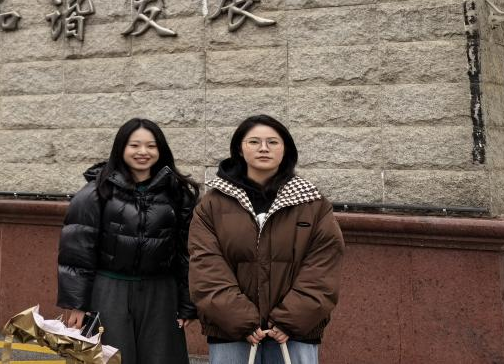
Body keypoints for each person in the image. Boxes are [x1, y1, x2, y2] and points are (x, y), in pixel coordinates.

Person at [189, 115, 344, 364]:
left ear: (286, 150)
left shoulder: (312, 204)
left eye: (273, 142)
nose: (264, 148)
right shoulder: (212, 204)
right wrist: (242, 320)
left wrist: (289, 320)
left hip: (294, 334)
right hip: (231, 332)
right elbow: (206, 268)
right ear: (240, 149)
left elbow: (323, 267)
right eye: (254, 142)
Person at [57, 118, 199, 364]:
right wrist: (76, 304)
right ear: (121, 148)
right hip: (109, 291)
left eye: (151, 146)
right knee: (110, 358)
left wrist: (187, 302)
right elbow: (76, 253)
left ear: (161, 150)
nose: (143, 152)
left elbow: (187, 251)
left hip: (161, 293)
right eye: (134, 145)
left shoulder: (177, 193)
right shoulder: (96, 192)